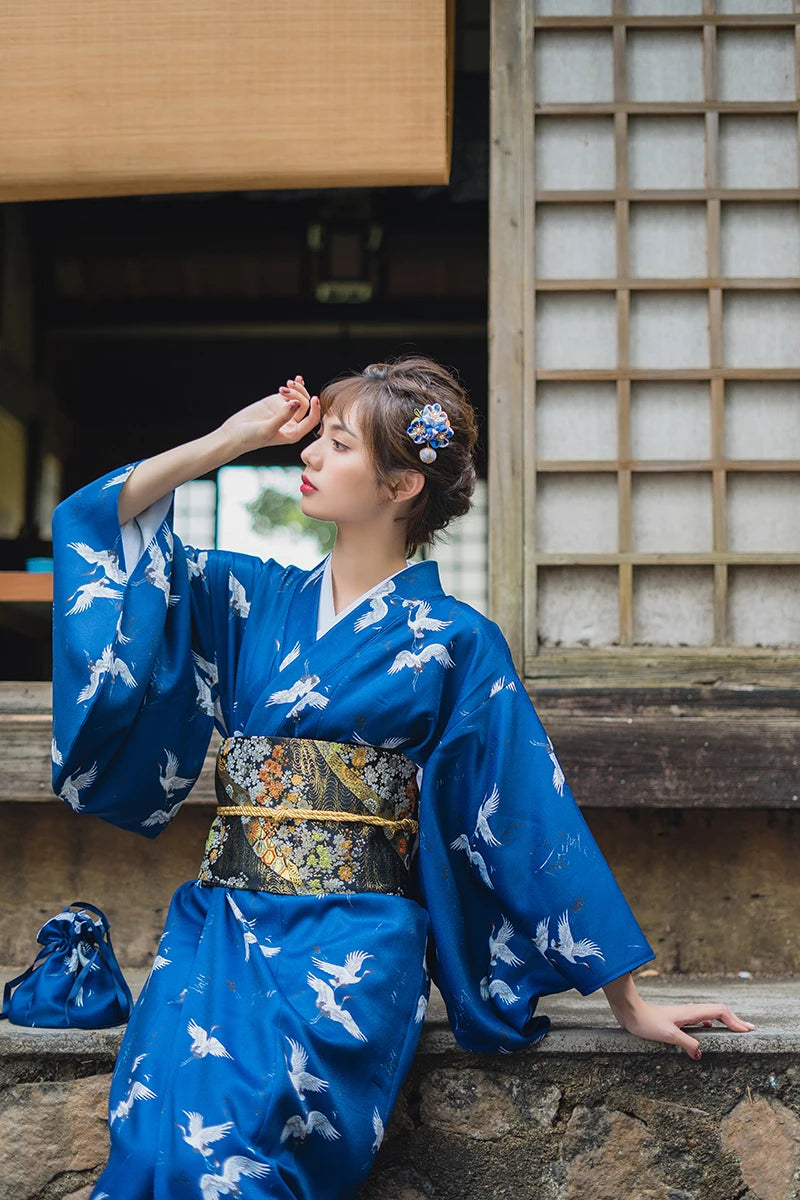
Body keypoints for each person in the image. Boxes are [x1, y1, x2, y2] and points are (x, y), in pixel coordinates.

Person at [51, 356, 753, 1200]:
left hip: (352, 944)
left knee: (231, 1165)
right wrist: (227, 441)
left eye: (336, 444)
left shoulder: (459, 640)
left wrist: (627, 1000)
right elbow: (99, 528)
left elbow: (527, 815)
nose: (307, 455)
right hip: (218, 925)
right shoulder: (248, 599)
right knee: (153, 1147)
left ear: (402, 485)